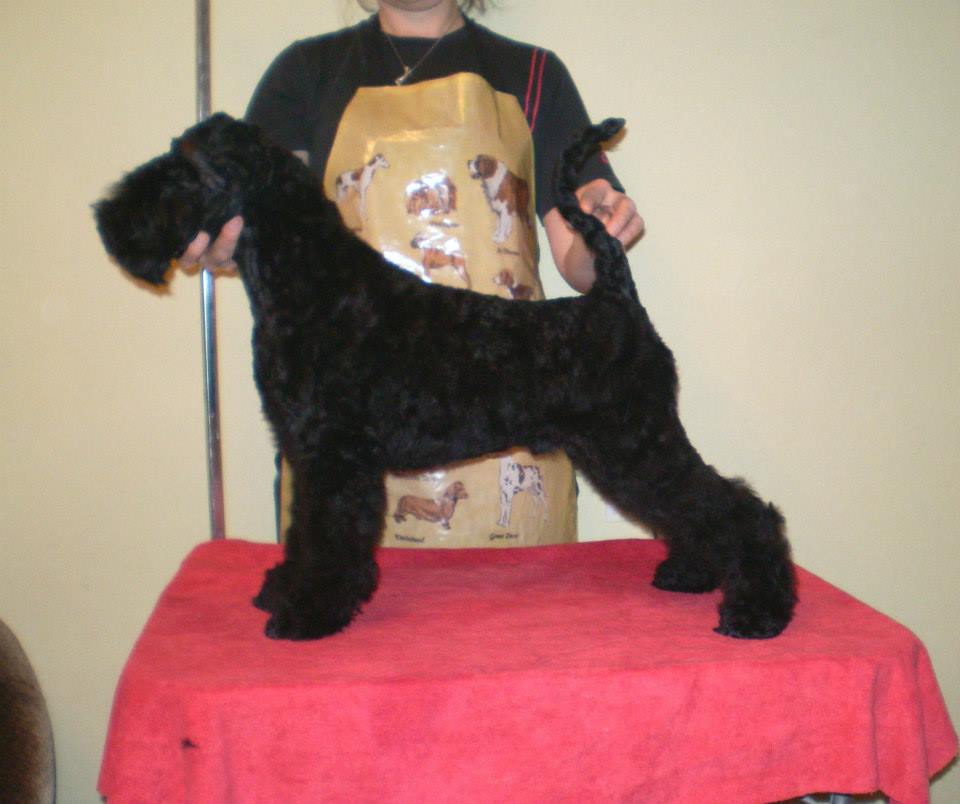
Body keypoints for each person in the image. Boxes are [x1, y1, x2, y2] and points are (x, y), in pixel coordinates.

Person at [181, 0, 644, 547]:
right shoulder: (304, 73)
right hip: (344, 420)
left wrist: (601, 232)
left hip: (511, 421)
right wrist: (228, 236)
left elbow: (581, 268)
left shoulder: (536, 74)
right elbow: (275, 227)